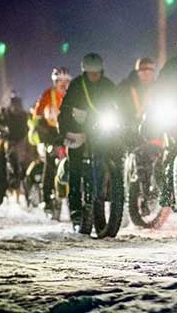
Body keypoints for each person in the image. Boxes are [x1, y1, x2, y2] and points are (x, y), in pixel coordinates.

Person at [58, 53, 119, 227]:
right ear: (85, 72)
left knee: (113, 156)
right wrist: (65, 132)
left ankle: (112, 194)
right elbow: (65, 110)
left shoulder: (108, 85)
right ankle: (76, 210)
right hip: (78, 131)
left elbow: (121, 104)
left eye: (97, 73)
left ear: (102, 71)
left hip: (101, 130)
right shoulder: (76, 85)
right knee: (75, 169)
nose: (94, 76)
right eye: (90, 73)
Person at [30, 66, 71, 211]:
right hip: (51, 134)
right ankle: (47, 198)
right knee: (50, 163)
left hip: (69, 132)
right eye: (60, 81)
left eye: (66, 81)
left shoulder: (73, 94)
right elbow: (37, 116)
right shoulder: (48, 95)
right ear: (55, 82)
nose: (64, 84)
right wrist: (42, 135)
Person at [119, 58, 156, 124]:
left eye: (149, 73)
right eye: (142, 72)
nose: (146, 76)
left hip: (153, 123)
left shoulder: (157, 87)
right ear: (138, 73)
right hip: (128, 122)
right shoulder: (125, 88)